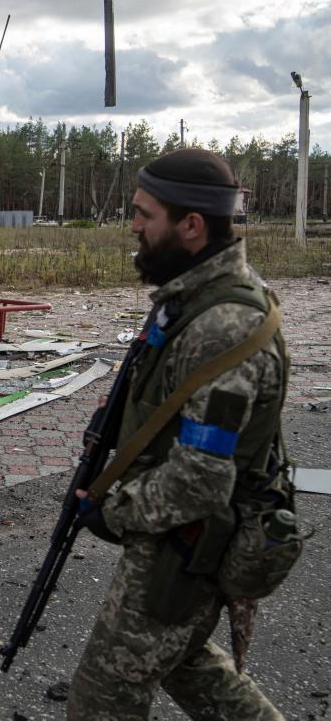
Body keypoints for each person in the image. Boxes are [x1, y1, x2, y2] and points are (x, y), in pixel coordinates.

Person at [67, 149, 290, 719]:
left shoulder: (223, 326)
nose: (134, 227)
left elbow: (200, 481)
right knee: (187, 665)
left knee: (103, 697)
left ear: (192, 225)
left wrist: (113, 512)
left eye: (145, 215)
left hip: (187, 543)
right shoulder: (191, 299)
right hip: (176, 534)